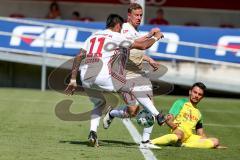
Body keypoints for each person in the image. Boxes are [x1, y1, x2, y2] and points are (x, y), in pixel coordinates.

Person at [65, 14, 163, 147]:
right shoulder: (116, 36)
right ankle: (157, 115)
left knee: (99, 103)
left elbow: (79, 56)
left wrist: (72, 79)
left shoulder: (93, 36)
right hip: (102, 75)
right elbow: (142, 46)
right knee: (132, 86)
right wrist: (156, 37)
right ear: (117, 25)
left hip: (85, 77)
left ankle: (93, 132)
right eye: (120, 27)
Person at [102, 3, 164, 149]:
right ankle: (112, 113)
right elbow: (138, 45)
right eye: (136, 15)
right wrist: (155, 36)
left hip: (139, 73)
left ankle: (145, 141)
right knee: (133, 111)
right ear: (129, 15)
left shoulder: (135, 30)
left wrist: (148, 59)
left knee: (150, 104)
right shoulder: (123, 28)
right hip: (124, 74)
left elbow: (135, 49)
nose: (139, 18)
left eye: (141, 15)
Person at [151, 82, 227, 149]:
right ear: (190, 92)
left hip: (189, 137)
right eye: (195, 92)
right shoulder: (180, 102)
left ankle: (184, 145)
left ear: (202, 97)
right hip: (178, 131)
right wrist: (174, 126)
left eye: (199, 94)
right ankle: (151, 142)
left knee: (215, 141)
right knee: (179, 135)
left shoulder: (199, 114)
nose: (196, 95)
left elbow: (200, 134)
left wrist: (211, 143)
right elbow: (169, 119)